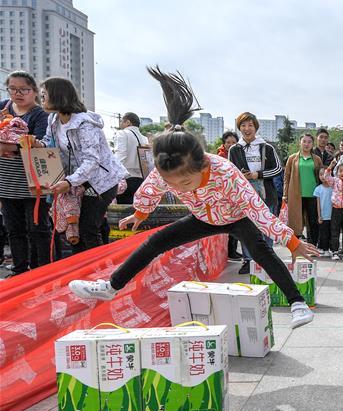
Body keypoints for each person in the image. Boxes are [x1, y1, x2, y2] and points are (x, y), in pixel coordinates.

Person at [68, 67, 317, 329]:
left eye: (186, 182)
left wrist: (290, 241)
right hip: (202, 218)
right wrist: (140, 213)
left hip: (235, 217)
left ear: (202, 165)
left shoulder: (225, 172)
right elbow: (150, 189)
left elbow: (259, 210)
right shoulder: (165, 170)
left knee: (261, 251)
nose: (181, 188)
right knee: (156, 241)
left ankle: (297, 303)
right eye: (173, 183)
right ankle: (111, 286)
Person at [34, 77, 128, 253]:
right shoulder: (53, 120)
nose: (42, 99)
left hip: (100, 182)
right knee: (75, 228)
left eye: (44, 95)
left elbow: (92, 160)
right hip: (77, 181)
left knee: (88, 228)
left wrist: (69, 182)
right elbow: (50, 142)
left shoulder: (85, 124)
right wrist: (37, 144)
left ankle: (98, 272)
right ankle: (83, 270)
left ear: (58, 95)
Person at [0, 71, 51, 275]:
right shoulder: (3, 108)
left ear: (35, 91)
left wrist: (7, 147)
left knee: (38, 229)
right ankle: (20, 271)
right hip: (6, 180)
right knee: (14, 230)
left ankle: (42, 272)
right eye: (13, 89)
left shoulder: (40, 115)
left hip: (32, 182)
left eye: (24, 89)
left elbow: (36, 144)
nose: (17, 93)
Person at [228, 111, 283, 274]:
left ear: (256, 127)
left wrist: (257, 175)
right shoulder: (234, 149)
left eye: (250, 125)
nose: (247, 128)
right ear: (239, 128)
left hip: (267, 194)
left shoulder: (266, 147)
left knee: (267, 227)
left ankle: (268, 260)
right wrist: (241, 176)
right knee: (248, 229)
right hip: (245, 196)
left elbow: (278, 169)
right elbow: (230, 171)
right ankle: (248, 260)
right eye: (243, 125)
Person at [283, 133, 322, 245]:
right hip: (296, 194)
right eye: (304, 141)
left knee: (312, 221)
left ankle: (312, 245)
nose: (306, 144)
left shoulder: (317, 159)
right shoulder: (292, 158)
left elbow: (321, 176)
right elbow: (286, 176)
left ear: (313, 144)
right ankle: (296, 246)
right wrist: (285, 194)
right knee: (295, 221)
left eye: (309, 142)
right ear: (299, 143)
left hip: (313, 195)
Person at [113, 112, 150, 204]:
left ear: (128, 122)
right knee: (135, 209)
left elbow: (120, 155)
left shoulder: (122, 133)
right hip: (141, 180)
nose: (120, 124)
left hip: (125, 179)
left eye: (122, 121)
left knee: (122, 212)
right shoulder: (144, 138)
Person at [217, 131, 242, 260]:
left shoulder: (239, 154)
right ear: (224, 143)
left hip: (235, 192)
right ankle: (228, 252)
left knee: (235, 222)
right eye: (228, 142)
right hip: (223, 194)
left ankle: (232, 250)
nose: (230, 144)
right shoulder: (220, 156)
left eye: (233, 142)